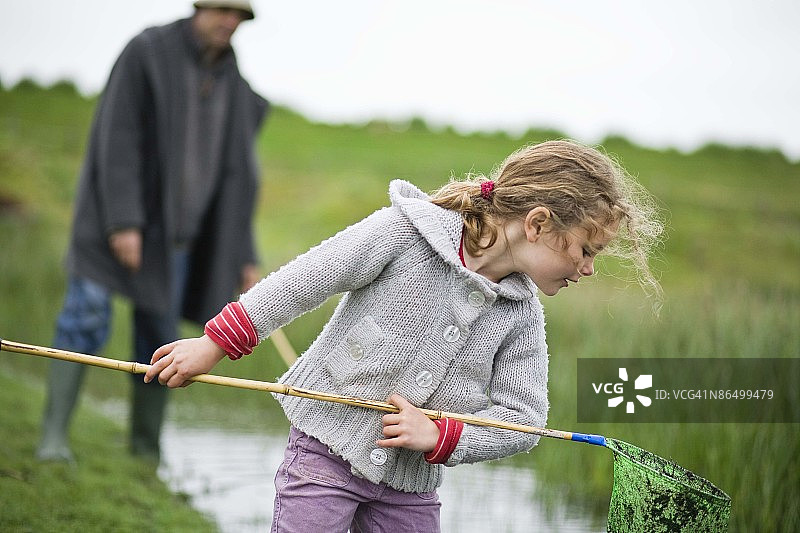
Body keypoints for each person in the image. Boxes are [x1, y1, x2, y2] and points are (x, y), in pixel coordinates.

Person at [145, 140, 663, 532]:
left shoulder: (521, 315)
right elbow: (303, 282)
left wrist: (441, 437)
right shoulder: (402, 234)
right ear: (538, 224)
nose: (589, 269)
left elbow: (524, 421)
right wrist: (214, 344)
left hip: (410, 489)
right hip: (324, 451)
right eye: (586, 250)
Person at [37, 0, 269, 463]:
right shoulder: (147, 51)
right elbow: (116, 136)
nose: (231, 22)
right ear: (200, 6)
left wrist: (244, 253)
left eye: (239, 16)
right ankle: (53, 439)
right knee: (85, 318)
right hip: (112, 224)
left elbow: (240, 178)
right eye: (224, 11)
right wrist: (124, 221)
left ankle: (145, 454)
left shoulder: (236, 87)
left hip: (177, 240)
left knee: (159, 339)